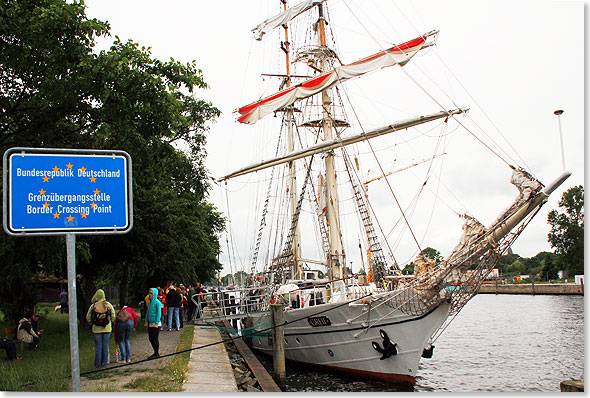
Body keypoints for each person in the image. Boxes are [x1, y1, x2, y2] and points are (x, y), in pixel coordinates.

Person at [86, 289, 116, 369]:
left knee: (98, 346)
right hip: (107, 329)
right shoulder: (107, 304)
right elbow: (113, 315)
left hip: (96, 329)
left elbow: (88, 316)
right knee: (105, 346)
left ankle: (98, 365)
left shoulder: (93, 306)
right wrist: (111, 322)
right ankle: (105, 364)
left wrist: (91, 324)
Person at [145, 288, 162, 359]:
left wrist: (156, 322)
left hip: (156, 323)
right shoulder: (149, 302)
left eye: (151, 293)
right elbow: (148, 312)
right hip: (150, 322)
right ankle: (155, 351)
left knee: (155, 338)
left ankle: (156, 353)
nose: (150, 295)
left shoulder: (157, 302)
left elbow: (159, 313)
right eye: (149, 293)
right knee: (150, 338)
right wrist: (146, 321)